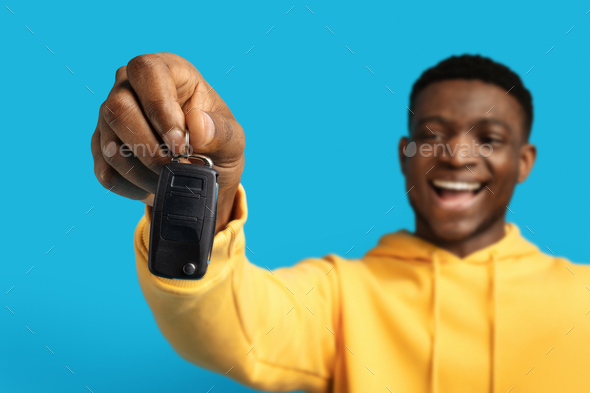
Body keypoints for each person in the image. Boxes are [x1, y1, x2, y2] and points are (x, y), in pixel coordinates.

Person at [91, 52, 590, 393]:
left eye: (489, 139)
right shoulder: (340, 295)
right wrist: (207, 190)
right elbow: (225, 325)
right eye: (433, 135)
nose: (457, 156)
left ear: (523, 162)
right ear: (405, 155)